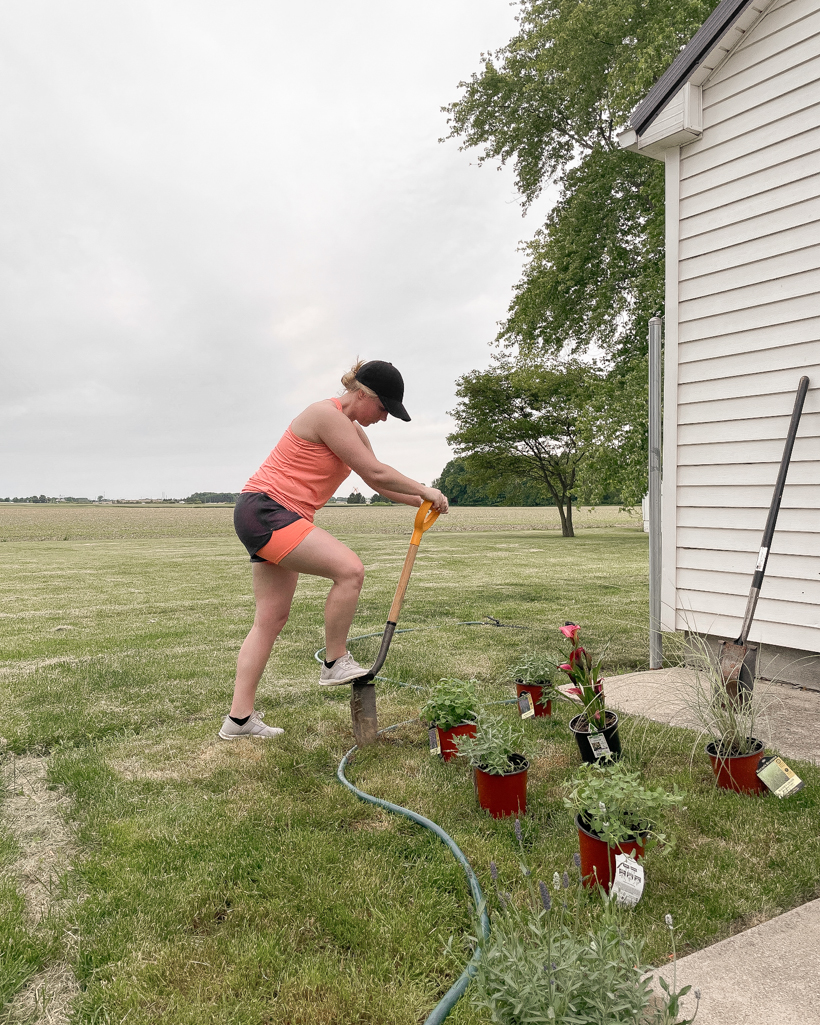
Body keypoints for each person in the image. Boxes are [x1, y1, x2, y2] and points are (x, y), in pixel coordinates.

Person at [219, 359, 449, 739]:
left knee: (270, 619)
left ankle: (238, 720)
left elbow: (376, 480)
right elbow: (376, 473)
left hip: (272, 514)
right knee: (350, 570)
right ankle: (334, 661)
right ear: (362, 394)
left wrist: (419, 502)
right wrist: (425, 487)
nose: (385, 418)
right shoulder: (324, 415)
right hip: (268, 510)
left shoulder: (354, 432)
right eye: (383, 408)